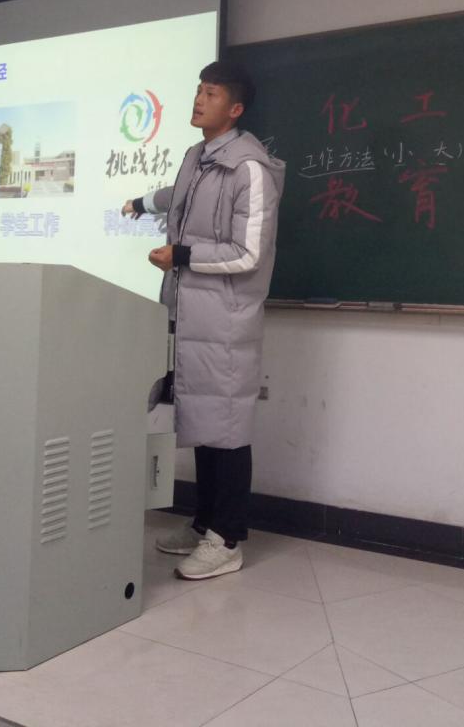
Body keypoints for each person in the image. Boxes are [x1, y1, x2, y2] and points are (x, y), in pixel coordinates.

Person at [123, 61, 285, 580]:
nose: (198, 100)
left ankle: (227, 539)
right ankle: (203, 525)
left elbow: (249, 253)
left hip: (226, 324)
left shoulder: (250, 169)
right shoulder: (199, 155)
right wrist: (141, 202)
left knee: (228, 429)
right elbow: (180, 198)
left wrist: (183, 256)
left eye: (210, 93)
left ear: (234, 108)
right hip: (191, 317)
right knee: (202, 423)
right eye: (198, 90)